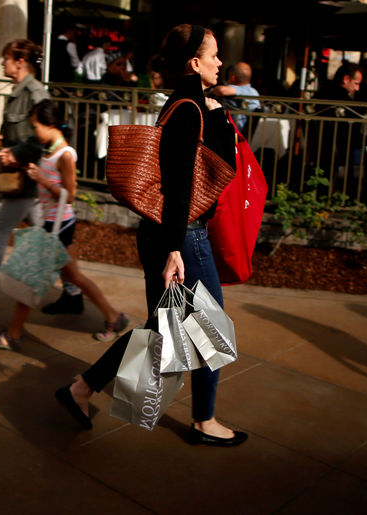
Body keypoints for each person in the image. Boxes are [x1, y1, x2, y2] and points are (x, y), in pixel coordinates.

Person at [55, 24, 247, 447]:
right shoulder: (190, 108)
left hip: (167, 235)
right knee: (210, 329)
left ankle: (82, 390)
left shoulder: (184, 104)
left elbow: (199, 171)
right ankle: (204, 422)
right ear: (194, 63)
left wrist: (217, 112)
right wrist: (177, 248)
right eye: (214, 55)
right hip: (182, 238)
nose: (220, 62)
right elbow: (186, 183)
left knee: (165, 328)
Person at [0, 100, 128, 350]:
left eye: (36, 126)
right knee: (74, 277)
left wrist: (42, 180)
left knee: (29, 281)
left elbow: (69, 195)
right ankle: (115, 318)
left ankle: (12, 334)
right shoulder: (47, 149)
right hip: (58, 224)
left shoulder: (66, 154)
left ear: (50, 125)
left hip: (57, 226)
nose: (34, 131)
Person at [0, 39, 51, 304]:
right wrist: (4, 138)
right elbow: (20, 131)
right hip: (23, 179)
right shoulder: (18, 91)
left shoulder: (35, 93)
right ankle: (75, 290)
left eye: (6, 58)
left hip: (27, 178)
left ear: (20, 62)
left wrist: (15, 153)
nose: (1, 63)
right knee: (47, 235)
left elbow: (43, 137)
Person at [210, 62, 260, 134]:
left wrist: (212, 90)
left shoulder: (241, 89)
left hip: (237, 134)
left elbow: (222, 91)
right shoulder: (254, 91)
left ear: (232, 78)